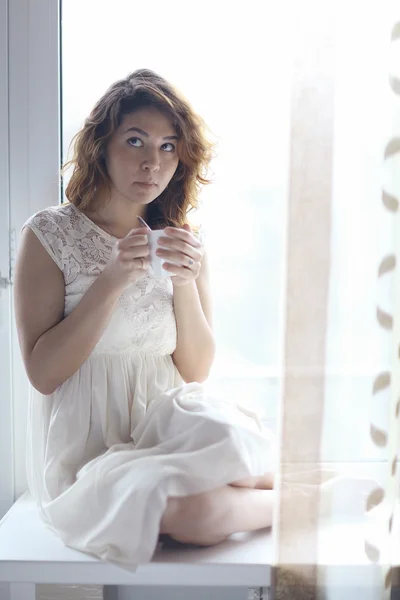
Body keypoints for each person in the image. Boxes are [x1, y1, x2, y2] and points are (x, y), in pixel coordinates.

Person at [13, 68, 276, 568]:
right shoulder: (50, 234)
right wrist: (111, 281)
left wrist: (182, 281)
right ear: (101, 145)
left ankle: (297, 494)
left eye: (168, 147)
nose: (152, 162)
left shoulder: (180, 240)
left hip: (166, 425)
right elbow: (43, 374)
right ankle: (297, 502)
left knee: (224, 438)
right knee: (187, 516)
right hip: (89, 454)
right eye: (135, 140)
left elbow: (196, 370)